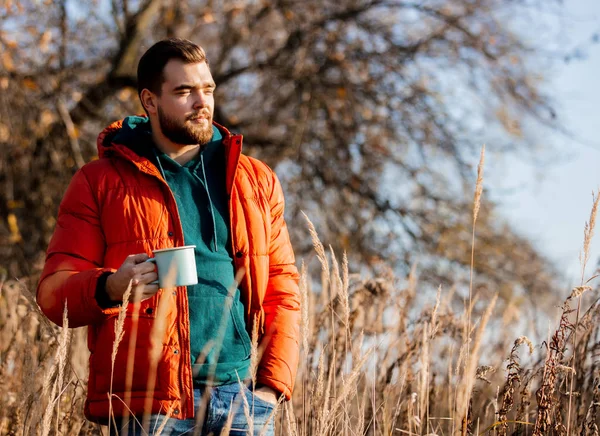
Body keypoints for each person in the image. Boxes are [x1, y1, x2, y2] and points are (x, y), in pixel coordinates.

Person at [36, 38, 300, 435]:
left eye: (207, 89)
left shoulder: (254, 179)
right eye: (184, 91)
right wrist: (110, 286)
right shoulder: (99, 182)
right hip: (151, 407)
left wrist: (270, 387)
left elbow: (283, 286)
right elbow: (53, 294)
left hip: (242, 400)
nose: (201, 102)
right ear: (150, 100)